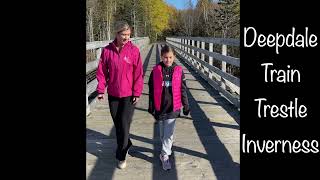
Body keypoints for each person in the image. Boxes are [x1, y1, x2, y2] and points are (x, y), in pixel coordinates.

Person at [96, 21, 143, 169]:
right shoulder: (107, 51)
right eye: (123, 34)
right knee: (118, 125)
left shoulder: (134, 51)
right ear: (116, 34)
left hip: (129, 94)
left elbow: (138, 74)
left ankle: (121, 155)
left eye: (129, 35)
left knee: (124, 123)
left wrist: (137, 92)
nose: (126, 37)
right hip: (114, 94)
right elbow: (102, 72)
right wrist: (100, 89)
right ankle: (126, 143)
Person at [148, 44, 190, 170]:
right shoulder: (155, 71)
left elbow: (183, 90)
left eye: (170, 57)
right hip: (160, 107)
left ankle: (165, 155)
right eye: (165, 57)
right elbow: (151, 90)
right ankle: (167, 147)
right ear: (161, 57)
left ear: (174, 57)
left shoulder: (179, 71)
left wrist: (186, 105)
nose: (168, 60)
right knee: (163, 134)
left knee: (168, 133)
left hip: (173, 107)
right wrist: (151, 107)